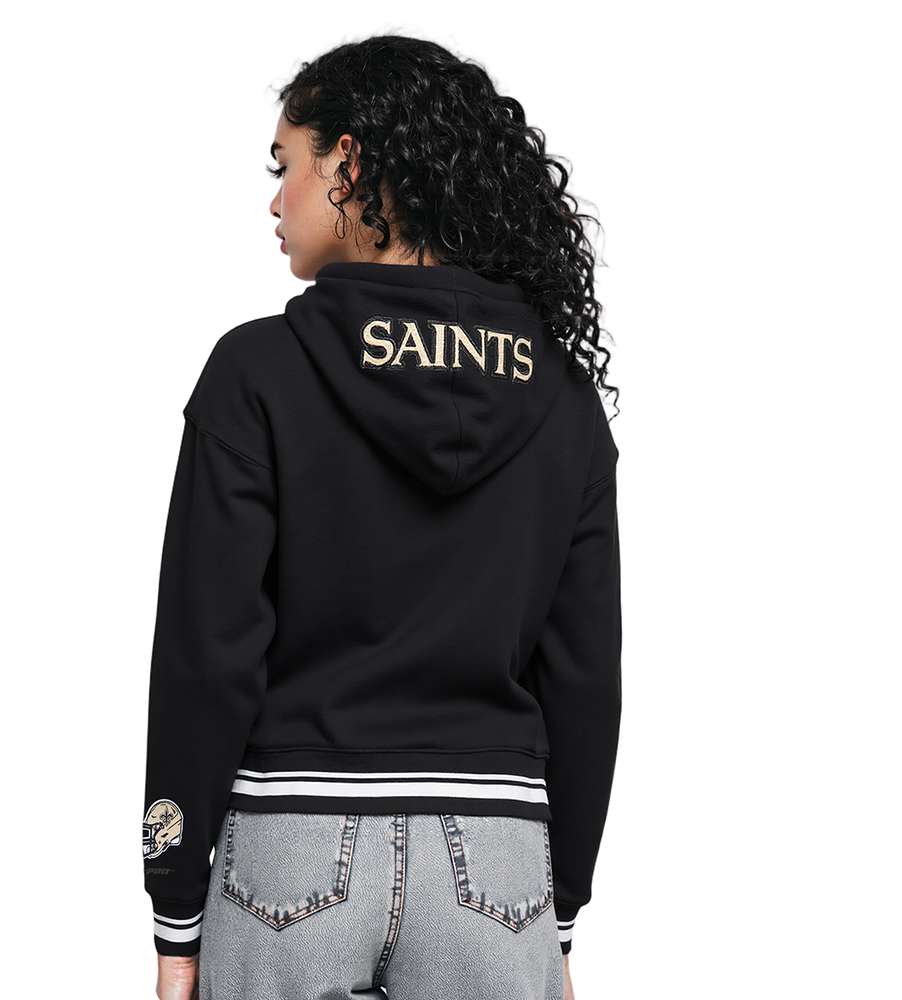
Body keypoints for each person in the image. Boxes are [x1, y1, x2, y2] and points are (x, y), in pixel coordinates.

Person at [143, 33, 621, 1000]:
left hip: (289, 850)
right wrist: (557, 909)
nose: (275, 201)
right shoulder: (565, 402)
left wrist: (174, 906)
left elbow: (207, 654)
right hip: (496, 861)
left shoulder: (256, 375)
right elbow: (583, 678)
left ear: (349, 165)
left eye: (286, 166)